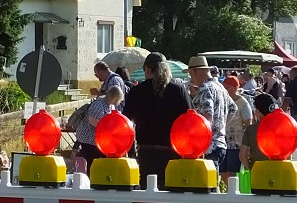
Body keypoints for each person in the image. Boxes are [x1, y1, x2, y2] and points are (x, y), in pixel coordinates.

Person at [122, 52, 191, 188]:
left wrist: (129, 152)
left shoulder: (136, 92)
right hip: (172, 154)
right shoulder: (178, 91)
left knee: (146, 198)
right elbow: (189, 121)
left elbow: (125, 123)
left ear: (148, 69)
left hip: (145, 154)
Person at [186, 55, 227, 166]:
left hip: (208, 147)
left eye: (190, 74)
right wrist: (220, 127)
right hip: (220, 143)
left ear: (195, 71)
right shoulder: (220, 87)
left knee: (207, 182)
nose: (191, 79)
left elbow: (208, 117)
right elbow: (233, 109)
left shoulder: (204, 88)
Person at [73, 84, 124, 172]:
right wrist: (107, 127)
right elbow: (92, 120)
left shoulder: (110, 105)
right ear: (113, 97)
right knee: (91, 159)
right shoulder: (99, 104)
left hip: (97, 140)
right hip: (88, 138)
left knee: (96, 158)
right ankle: (90, 177)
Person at [220, 75, 253, 184]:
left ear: (235, 88)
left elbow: (249, 124)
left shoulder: (243, 103)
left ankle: (232, 195)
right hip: (223, 141)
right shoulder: (223, 101)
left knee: (232, 173)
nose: (224, 90)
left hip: (236, 143)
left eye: (227, 87)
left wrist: (248, 146)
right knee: (222, 173)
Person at [239, 91, 281, 169]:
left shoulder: (251, 129)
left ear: (258, 111)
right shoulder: (281, 128)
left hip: (258, 169)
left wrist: (251, 168)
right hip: (278, 169)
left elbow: (242, 154)